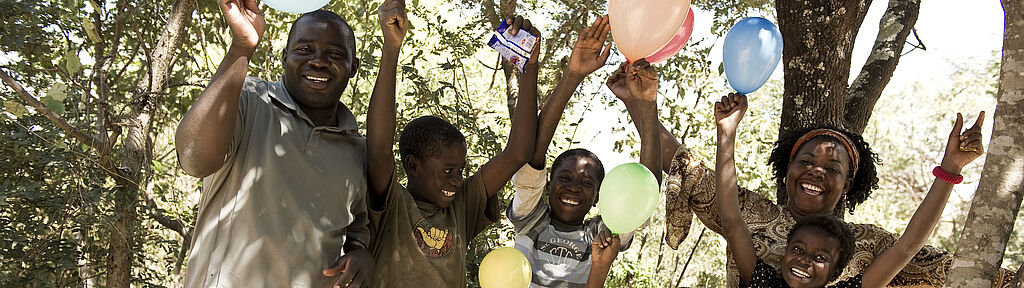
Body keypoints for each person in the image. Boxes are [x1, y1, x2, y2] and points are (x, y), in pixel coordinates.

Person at [174, 0, 404, 286]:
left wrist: (360, 255)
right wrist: (242, 47)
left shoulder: (355, 150)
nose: (318, 61)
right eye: (304, 50)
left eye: (334, 53)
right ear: (284, 57)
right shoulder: (248, 100)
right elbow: (195, 159)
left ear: (353, 67)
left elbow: (357, 233)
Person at [713, 93, 986, 287]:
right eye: (797, 249)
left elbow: (906, 248)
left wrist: (950, 168)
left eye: (821, 258)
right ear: (784, 253)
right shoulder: (763, 282)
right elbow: (733, 222)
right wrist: (726, 132)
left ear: (834, 274)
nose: (805, 261)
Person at [362, 10, 538, 286]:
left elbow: (517, 154)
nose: (456, 181)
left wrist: (528, 67)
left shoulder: (460, 208)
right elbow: (379, 149)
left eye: (460, 170)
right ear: (412, 165)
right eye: (447, 171)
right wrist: (392, 48)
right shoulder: (392, 206)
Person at [506, 16, 662, 287]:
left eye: (587, 183)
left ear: (598, 197)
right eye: (564, 178)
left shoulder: (601, 235)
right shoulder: (531, 218)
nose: (574, 188)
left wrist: (647, 106)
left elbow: (642, 191)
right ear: (548, 183)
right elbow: (532, 161)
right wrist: (573, 75)